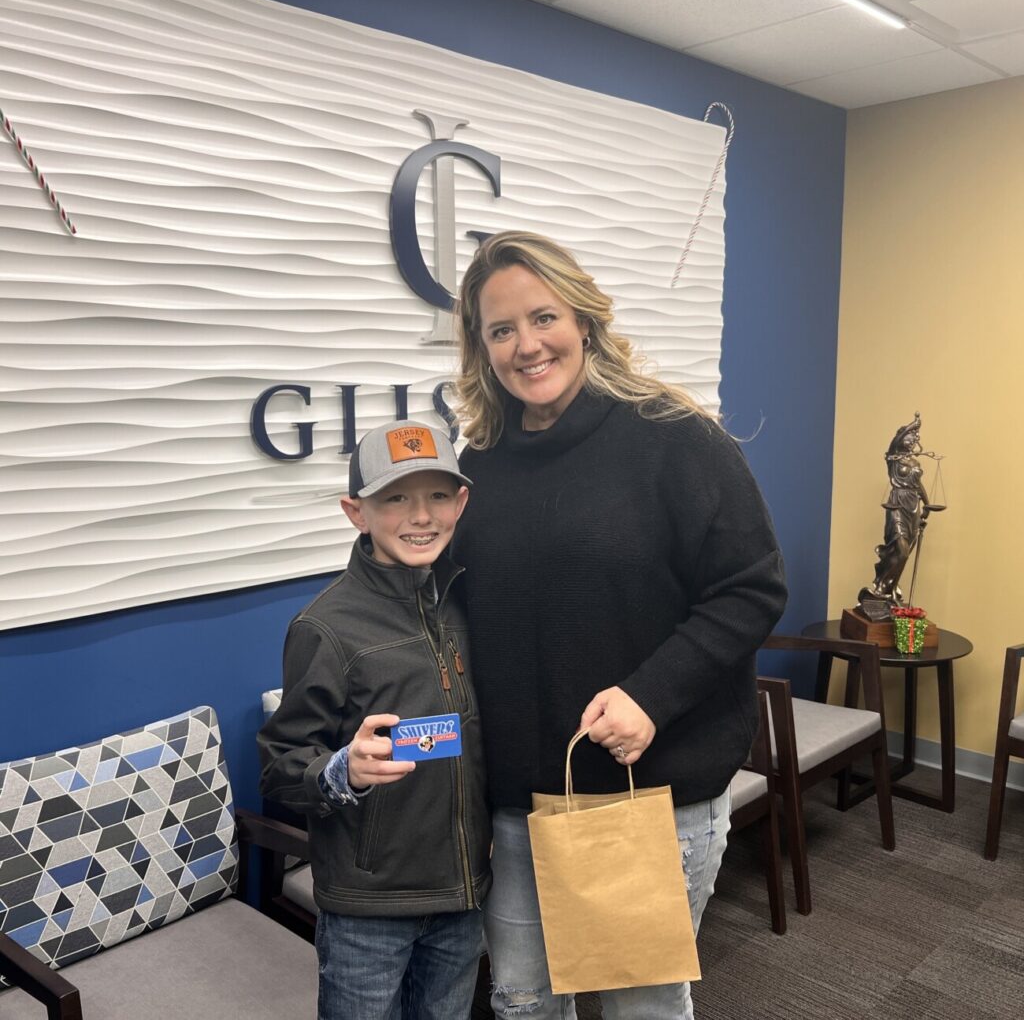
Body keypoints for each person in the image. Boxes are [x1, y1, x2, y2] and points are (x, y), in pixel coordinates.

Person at [452, 232, 788, 1020]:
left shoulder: (674, 436)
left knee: (642, 1006)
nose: (527, 345)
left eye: (544, 317)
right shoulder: (479, 464)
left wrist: (651, 695)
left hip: (651, 794)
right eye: (501, 329)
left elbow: (751, 587)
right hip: (517, 805)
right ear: (481, 347)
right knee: (522, 1002)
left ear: (584, 319)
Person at [257, 419, 490, 1020]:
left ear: (461, 503)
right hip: (369, 909)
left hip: (463, 893)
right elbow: (280, 767)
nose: (421, 516)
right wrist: (344, 770)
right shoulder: (325, 627)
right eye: (395, 499)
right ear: (356, 512)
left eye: (437, 495)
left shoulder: (473, 601)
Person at [863, 411, 945, 605]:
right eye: (909, 436)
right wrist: (914, 424)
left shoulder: (915, 462)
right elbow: (896, 441)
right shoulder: (893, 458)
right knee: (901, 550)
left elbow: (918, 485)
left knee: (906, 553)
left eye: (915, 437)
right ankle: (881, 587)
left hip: (913, 506)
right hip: (897, 505)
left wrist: (927, 504)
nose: (913, 440)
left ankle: (891, 590)